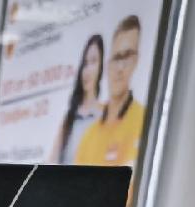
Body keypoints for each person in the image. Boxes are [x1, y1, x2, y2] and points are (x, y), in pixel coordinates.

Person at [75, 16, 146, 169]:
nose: (120, 68)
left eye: (127, 56)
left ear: (136, 61)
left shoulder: (143, 121)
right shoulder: (88, 137)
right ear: (107, 65)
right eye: (117, 57)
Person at [49, 34, 105, 165]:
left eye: (93, 62)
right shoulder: (70, 118)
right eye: (85, 63)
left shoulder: (104, 115)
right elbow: (52, 162)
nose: (87, 70)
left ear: (101, 66)